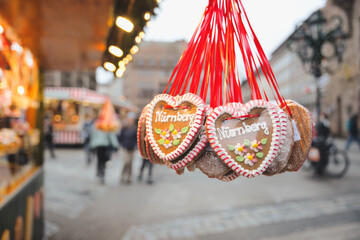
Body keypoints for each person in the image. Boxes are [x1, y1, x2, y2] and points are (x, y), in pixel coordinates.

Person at [118, 112, 138, 184]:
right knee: (126, 161)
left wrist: (136, 145)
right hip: (125, 147)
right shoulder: (124, 127)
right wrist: (121, 144)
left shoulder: (135, 128)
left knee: (131, 162)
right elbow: (120, 137)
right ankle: (123, 175)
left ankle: (129, 177)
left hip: (132, 147)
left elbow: (136, 138)